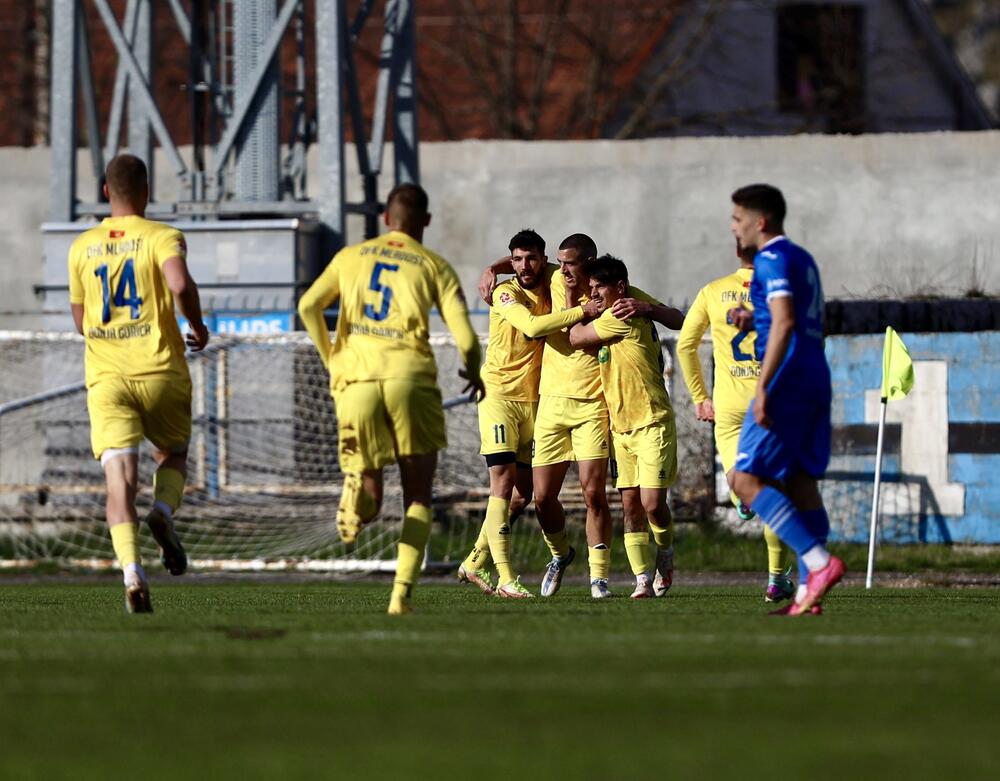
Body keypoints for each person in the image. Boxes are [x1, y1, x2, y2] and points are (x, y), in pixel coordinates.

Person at [298, 183, 483, 615]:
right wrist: (474, 371)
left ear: (385, 218)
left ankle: (355, 489)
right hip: (409, 380)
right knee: (418, 496)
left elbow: (308, 306)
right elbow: (466, 339)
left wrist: (333, 359)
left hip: (357, 381)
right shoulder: (435, 265)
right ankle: (401, 595)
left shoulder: (351, 256)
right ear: (427, 221)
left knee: (370, 489)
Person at [480, 234, 682, 599]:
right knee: (542, 498)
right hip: (550, 403)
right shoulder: (556, 278)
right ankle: (560, 555)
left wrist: (646, 308)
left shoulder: (614, 295)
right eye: (560, 263)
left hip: (594, 405)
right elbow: (526, 264)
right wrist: (492, 268)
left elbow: (675, 318)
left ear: (588, 264)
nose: (564, 270)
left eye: (570, 263)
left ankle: (599, 579)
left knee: (594, 494)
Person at [67, 153, 208, 614]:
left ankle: (132, 573)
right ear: (147, 191)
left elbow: (81, 321)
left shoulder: (81, 246)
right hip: (161, 372)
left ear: (106, 192)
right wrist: (197, 325)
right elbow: (179, 284)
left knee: (119, 487)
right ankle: (163, 512)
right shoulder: (162, 236)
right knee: (173, 455)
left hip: (108, 379)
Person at [457, 230, 599, 598]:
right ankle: (505, 577)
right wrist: (583, 311)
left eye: (531, 258)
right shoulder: (505, 292)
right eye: (516, 259)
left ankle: (474, 562)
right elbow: (534, 326)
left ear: (543, 259)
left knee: (522, 496)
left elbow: (578, 268)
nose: (523, 266)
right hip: (499, 397)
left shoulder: (553, 277)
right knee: (502, 484)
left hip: (534, 402)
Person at [728, 184, 845, 615]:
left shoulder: (770, 258)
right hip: (814, 374)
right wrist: (753, 319)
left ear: (760, 222)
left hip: (787, 380)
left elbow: (785, 321)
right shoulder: (802, 258)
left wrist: (763, 388)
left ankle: (819, 563)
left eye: (738, 219)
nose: (733, 228)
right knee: (798, 481)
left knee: (743, 479)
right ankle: (807, 593)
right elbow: (795, 318)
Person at [676, 240, 794, 603]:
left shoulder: (713, 291)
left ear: (738, 254)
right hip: (771, 403)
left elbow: (685, 345)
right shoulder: (781, 292)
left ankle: (740, 491)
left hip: (728, 407)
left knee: (741, 480)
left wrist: (700, 397)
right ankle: (776, 579)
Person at [568, 256, 679, 599]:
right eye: (590, 288)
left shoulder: (619, 315)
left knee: (652, 505)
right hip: (621, 426)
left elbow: (575, 337)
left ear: (619, 288)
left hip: (652, 421)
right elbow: (674, 317)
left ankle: (665, 550)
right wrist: (648, 307)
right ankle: (642, 579)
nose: (593, 295)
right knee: (630, 504)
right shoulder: (630, 299)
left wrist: (576, 305)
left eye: (598, 288)